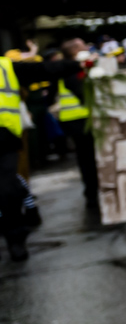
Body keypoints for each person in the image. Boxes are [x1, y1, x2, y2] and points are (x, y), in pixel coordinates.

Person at [1, 51, 83, 260]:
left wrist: (77, 63)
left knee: (6, 189)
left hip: (3, 138)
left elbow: (43, 70)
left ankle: (15, 238)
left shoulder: (6, 67)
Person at [57, 38, 99, 215]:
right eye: (83, 46)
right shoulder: (71, 70)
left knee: (88, 159)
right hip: (79, 121)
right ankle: (93, 196)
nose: (87, 48)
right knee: (88, 160)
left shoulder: (74, 68)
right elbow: (83, 93)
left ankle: (94, 194)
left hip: (80, 121)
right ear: (75, 51)